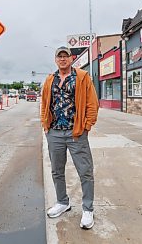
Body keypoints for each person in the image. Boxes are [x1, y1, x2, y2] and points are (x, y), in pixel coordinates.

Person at [40, 46, 99, 229]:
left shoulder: (82, 77)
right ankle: (62, 202)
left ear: (71, 58)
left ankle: (88, 209)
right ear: (56, 59)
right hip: (55, 132)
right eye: (60, 56)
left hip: (76, 133)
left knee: (85, 171)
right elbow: (44, 104)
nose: (63, 59)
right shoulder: (50, 79)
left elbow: (92, 103)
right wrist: (45, 125)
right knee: (57, 171)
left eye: (66, 56)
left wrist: (87, 126)